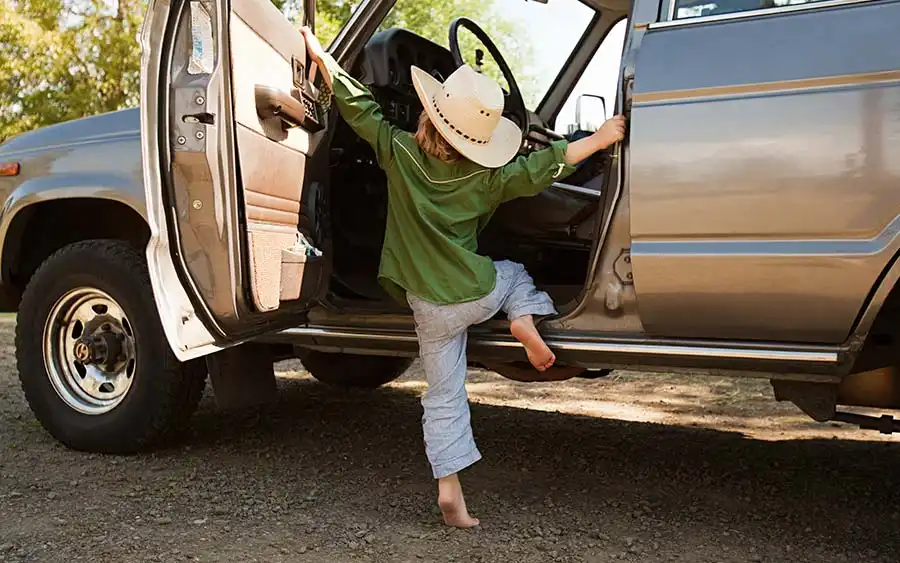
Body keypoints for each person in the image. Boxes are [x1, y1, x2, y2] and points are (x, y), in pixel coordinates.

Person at [300, 27, 626, 528]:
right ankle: (526, 320)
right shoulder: (489, 177)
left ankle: (450, 492)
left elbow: (361, 109)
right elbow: (544, 166)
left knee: (443, 393)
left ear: (430, 114)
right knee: (516, 274)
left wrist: (324, 58)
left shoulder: (399, 153)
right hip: (476, 291)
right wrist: (600, 139)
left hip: (427, 307)